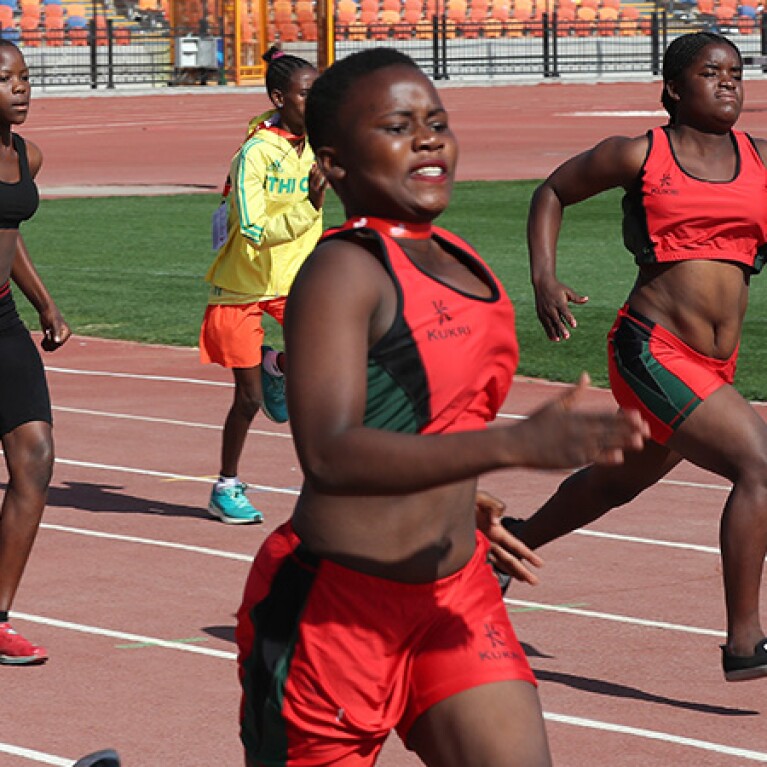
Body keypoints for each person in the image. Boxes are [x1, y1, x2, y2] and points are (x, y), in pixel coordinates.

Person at [235, 48, 648, 767]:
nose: (427, 138)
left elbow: (432, 418)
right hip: (335, 611)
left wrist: (461, 497)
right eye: (397, 125)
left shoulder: (459, 256)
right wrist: (513, 446)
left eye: (436, 121)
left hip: (454, 593)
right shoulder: (342, 270)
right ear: (332, 164)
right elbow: (330, 451)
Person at [516, 32, 767, 682]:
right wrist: (543, 277)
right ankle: (744, 640)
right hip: (650, 347)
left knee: (615, 482)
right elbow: (551, 191)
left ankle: (509, 544)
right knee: (759, 463)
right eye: (709, 72)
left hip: (714, 364)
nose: (726, 83)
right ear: (673, 89)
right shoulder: (640, 154)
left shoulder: (760, 161)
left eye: (735, 72)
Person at [199, 46, 326, 525]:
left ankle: (279, 363)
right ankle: (225, 485)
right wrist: (309, 206)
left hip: (297, 280)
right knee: (248, 399)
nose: (314, 103)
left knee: (329, 359)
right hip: (243, 284)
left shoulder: (320, 141)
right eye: (305, 94)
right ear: (279, 97)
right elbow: (251, 228)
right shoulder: (254, 154)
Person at [0, 40, 72, 665]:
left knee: (36, 456)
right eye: (6, 78)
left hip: (2, 321)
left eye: (25, 77)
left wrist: (45, 303)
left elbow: (9, 233)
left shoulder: (29, 156)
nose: (21, 88)